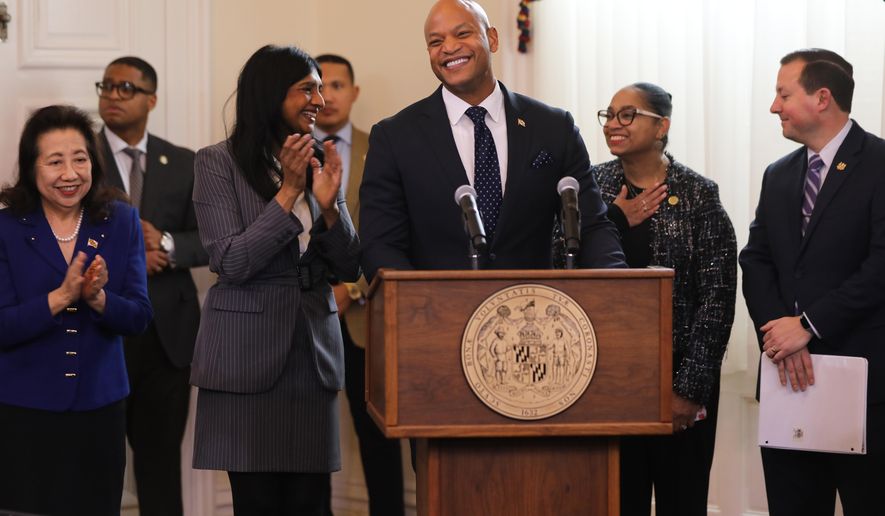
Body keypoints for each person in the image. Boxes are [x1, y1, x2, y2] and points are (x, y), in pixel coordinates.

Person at [189, 45, 360, 516]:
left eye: (322, 89)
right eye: (307, 88)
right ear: (270, 95)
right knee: (258, 505)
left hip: (311, 356)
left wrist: (328, 207)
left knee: (310, 504)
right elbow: (233, 260)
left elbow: (349, 266)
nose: (320, 101)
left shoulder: (321, 158)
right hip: (246, 357)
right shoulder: (216, 163)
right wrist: (288, 192)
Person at [360, 0, 624, 281]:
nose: (448, 47)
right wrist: (419, 306)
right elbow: (381, 245)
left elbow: (592, 226)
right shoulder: (394, 137)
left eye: (462, 34)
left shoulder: (554, 127)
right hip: (436, 315)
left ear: (493, 39)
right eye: (436, 41)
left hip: (534, 311)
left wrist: (620, 286)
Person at [740, 48, 885, 516]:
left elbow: (881, 266)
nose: (774, 106)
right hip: (789, 382)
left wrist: (809, 324)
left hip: (867, 388)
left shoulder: (880, 163)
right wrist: (782, 333)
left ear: (822, 98)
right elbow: (755, 260)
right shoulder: (778, 175)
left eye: (783, 93)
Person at [0, 105, 152, 516]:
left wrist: (99, 299)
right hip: (24, 411)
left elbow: (139, 316)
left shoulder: (120, 219)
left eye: (80, 159)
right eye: (55, 162)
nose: (70, 174)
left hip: (99, 410)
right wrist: (61, 297)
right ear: (32, 167)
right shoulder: (8, 227)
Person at [592, 83, 737, 515]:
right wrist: (615, 220)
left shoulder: (698, 194)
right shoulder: (590, 189)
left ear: (662, 126)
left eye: (627, 115)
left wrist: (690, 390)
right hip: (607, 379)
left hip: (678, 377)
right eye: (609, 115)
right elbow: (563, 268)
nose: (614, 125)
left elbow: (717, 297)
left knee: (682, 500)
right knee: (617, 501)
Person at [96, 55, 208, 516]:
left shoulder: (182, 161)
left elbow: (211, 240)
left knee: (160, 464)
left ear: (151, 99)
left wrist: (166, 243)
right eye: (106, 86)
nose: (112, 95)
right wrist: (131, 256)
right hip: (100, 332)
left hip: (168, 337)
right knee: (98, 463)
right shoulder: (79, 156)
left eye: (126, 88)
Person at [313, 53, 405, 516]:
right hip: (302, 317)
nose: (326, 96)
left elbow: (394, 232)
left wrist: (351, 290)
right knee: (307, 436)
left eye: (337, 84)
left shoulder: (383, 146)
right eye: (318, 85)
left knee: (376, 435)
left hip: (365, 318)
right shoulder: (285, 152)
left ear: (355, 92)